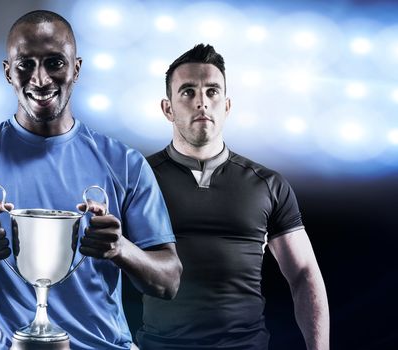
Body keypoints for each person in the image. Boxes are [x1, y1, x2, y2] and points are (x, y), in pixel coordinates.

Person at [0, 10, 182, 350]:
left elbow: (168, 281)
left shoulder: (124, 163)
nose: (40, 79)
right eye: (25, 65)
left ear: (76, 69)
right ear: (8, 72)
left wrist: (121, 249)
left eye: (54, 62)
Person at [137, 44, 330, 350]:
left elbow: (304, 273)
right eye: (188, 91)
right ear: (168, 108)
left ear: (226, 106)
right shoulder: (136, 178)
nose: (202, 102)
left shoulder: (268, 184)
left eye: (212, 91)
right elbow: (101, 266)